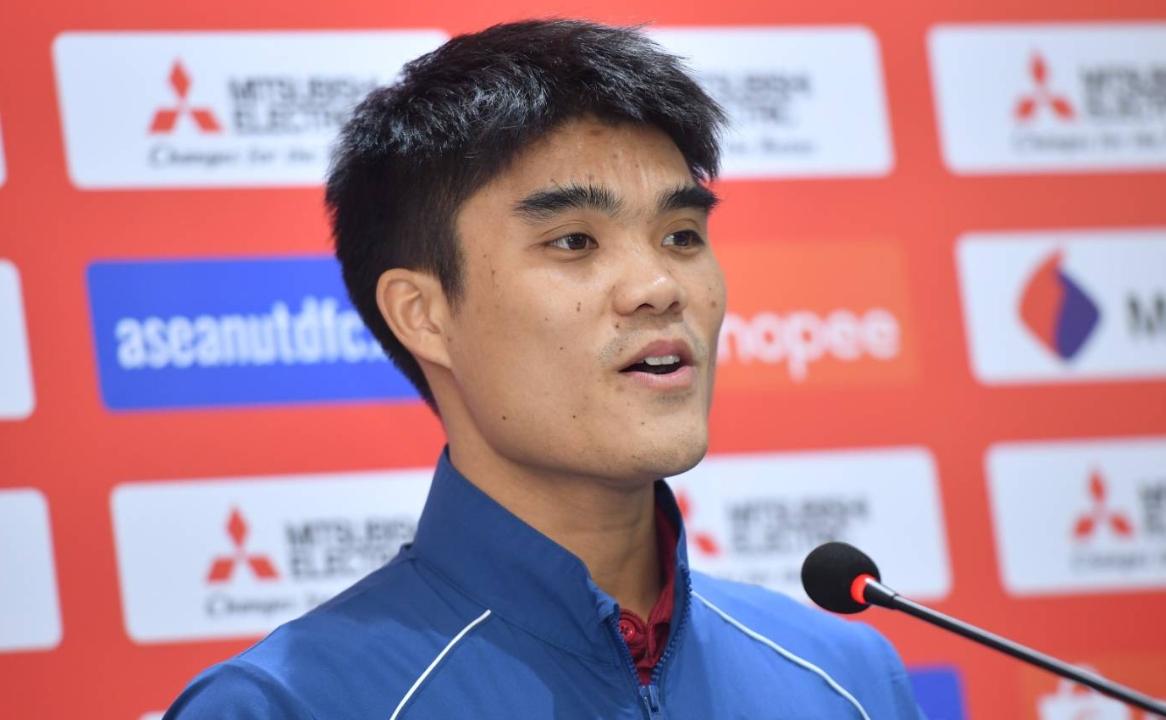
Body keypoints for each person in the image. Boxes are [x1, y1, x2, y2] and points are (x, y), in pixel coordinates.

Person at [164, 19, 925, 720]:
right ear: (423, 315)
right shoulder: (288, 704)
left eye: (682, 235)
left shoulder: (846, 678)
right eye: (573, 243)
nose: (660, 286)